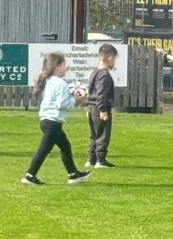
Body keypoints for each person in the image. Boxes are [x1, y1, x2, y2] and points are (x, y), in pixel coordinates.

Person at [22, 51, 90, 185]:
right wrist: (75, 100)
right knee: (43, 150)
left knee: (65, 146)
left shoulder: (49, 81)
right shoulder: (61, 83)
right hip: (53, 122)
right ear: (56, 66)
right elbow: (62, 104)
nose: (66, 67)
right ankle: (30, 175)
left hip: (46, 121)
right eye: (64, 64)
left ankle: (73, 174)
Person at [85, 42, 119, 168]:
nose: (114, 62)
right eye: (114, 59)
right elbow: (101, 93)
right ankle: (100, 160)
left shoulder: (94, 72)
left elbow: (90, 90)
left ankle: (91, 159)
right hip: (100, 108)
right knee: (103, 134)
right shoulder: (104, 74)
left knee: (93, 134)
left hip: (91, 106)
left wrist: (87, 107)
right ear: (110, 58)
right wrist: (102, 109)